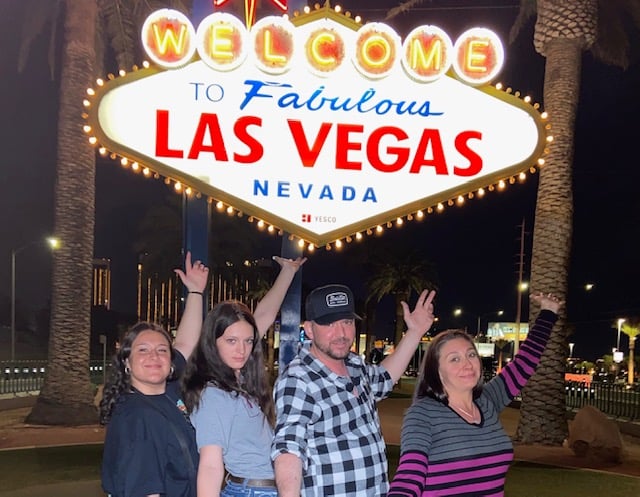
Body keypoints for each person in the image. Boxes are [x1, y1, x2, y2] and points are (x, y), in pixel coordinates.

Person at [387, 291, 563, 497]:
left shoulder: (487, 402)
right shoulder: (423, 414)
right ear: (437, 371)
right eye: (454, 359)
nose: (467, 364)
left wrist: (548, 313)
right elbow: (410, 476)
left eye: (471, 355)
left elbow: (524, 362)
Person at [272, 284, 437, 497]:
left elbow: (385, 378)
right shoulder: (299, 380)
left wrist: (414, 333)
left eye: (347, 322)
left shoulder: (354, 366)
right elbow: (288, 449)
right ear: (310, 329)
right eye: (329, 324)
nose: (341, 333)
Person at [182, 256, 306, 497]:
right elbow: (209, 465)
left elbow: (265, 315)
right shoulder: (214, 395)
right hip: (253, 490)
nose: (241, 349)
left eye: (248, 341)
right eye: (231, 341)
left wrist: (288, 272)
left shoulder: (237, 381)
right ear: (212, 342)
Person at [100, 252, 209, 497]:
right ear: (127, 362)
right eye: (143, 350)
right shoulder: (138, 416)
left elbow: (184, 344)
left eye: (161, 350)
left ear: (170, 363)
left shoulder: (169, 392)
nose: (154, 356)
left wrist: (194, 292)